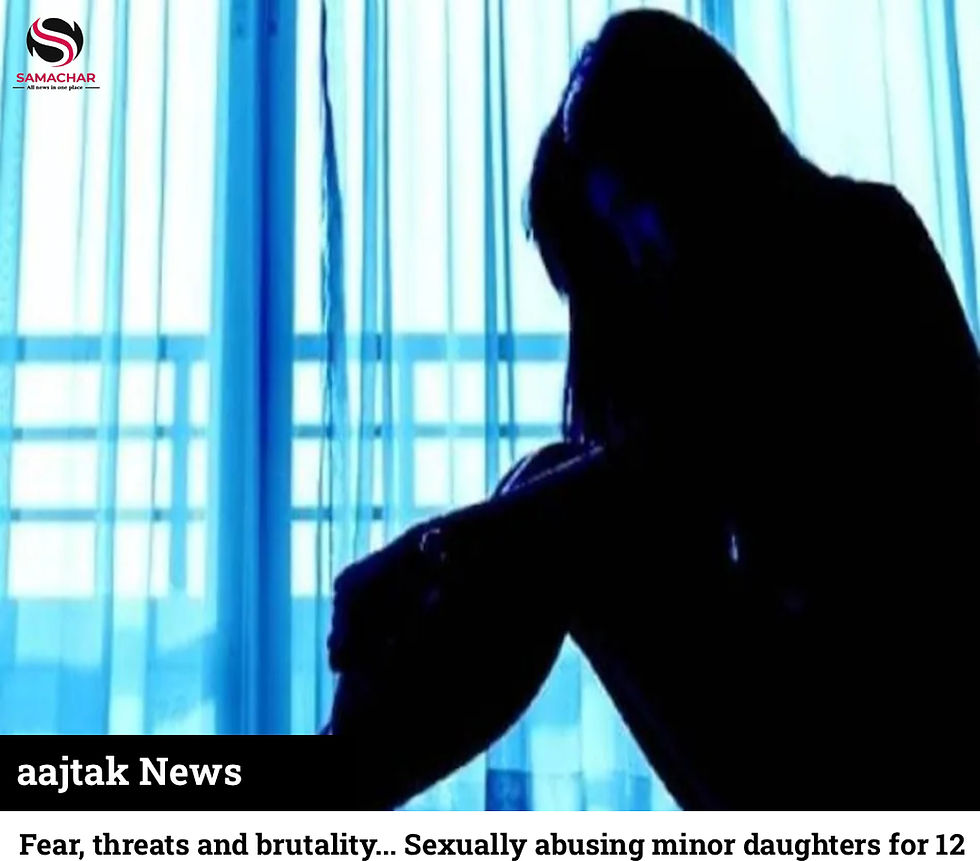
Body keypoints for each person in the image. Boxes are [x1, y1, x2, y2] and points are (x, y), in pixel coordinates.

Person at [326, 10, 980, 810]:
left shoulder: (856, 242)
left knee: (566, 514)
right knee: (557, 494)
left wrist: (426, 551)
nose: (638, 247)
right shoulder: (723, 314)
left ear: (698, 152)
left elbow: (665, 468)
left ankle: (332, 789)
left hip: (902, 741)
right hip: (825, 725)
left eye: (634, 205)